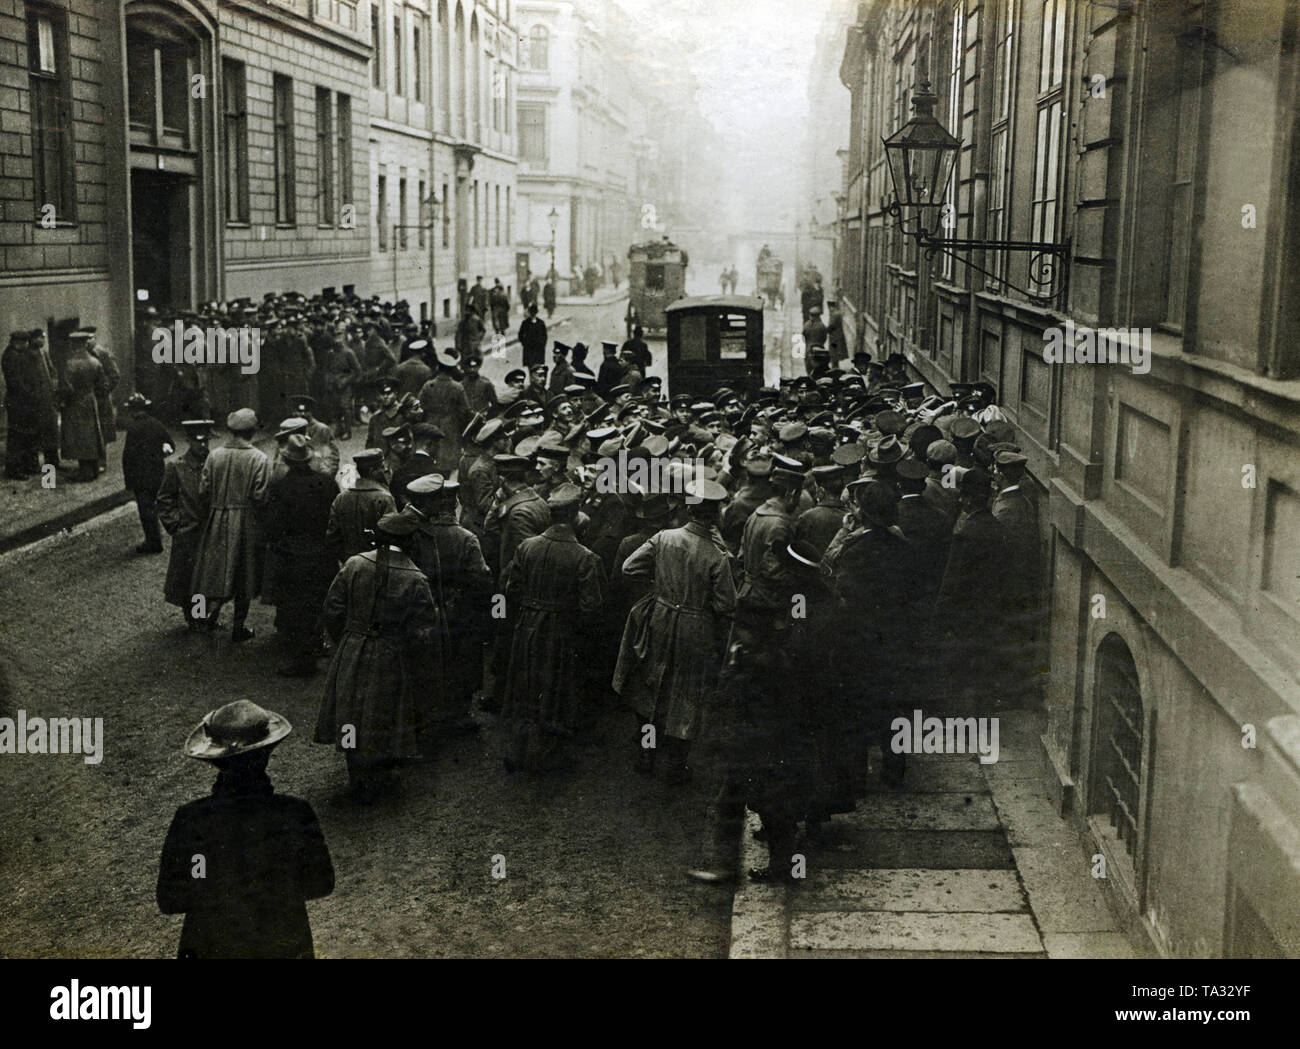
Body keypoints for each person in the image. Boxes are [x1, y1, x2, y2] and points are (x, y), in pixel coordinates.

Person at [158, 700, 334, 959]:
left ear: (215, 760)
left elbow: (171, 900)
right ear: (267, 754)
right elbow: (321, 884)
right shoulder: (295, 813)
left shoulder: (192, 819)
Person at [613, 479, 735, 783]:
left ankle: (646, 753)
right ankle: (675, 765)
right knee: (687, 693)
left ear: (689, 508)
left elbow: (629, 568)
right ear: (715, 513)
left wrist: (661, 586)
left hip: (660, 616)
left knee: (651, 686)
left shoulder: (664, 537)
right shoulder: (716, 554)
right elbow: (726, 604)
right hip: (696, 627)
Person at [316, 510, 440, 802]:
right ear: (409, 541)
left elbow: (332, 608)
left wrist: (346, 640)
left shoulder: (355, 564)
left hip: (354, 645)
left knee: (349, 710)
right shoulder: (415, 577)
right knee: (384, 711)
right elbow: (423, 630)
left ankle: (355, 774)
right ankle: (380, 775)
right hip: (392, 653)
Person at [499, 483, 604, 772]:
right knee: (557, 687)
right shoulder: (584, 557)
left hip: (527, 626)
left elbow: (511, 587)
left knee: (525, 684)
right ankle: (546, 754)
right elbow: (591, 607)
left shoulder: (526, 546)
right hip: (562, 630)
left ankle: (519, 749)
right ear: (575, 514)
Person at [403, 474, 493, 741]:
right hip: (460, 609)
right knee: (462, 659)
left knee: (427, 661)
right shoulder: (466, 537)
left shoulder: (416, 534)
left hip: (424, 607)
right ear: (453, 503)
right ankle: (459, 715)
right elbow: (482, 579)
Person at [261, 433, 340, 677]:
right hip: (321, 554)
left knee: (294, 606)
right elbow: (335, 520)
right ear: (308, 459)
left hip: (292, 555)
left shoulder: (280, 487)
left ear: (288, 460)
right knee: (318, 602)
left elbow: (272, 526)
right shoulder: (326, 483)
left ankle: (301, 658)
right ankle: (318, 646)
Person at [191, 407, 270, 641]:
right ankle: (238, 627)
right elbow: (260, 496)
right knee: (244, 573)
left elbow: (203, 490)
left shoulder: (214, 455)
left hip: (217, 518)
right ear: (252, 432)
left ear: (231, 431)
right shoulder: (259, 458)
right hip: (245, 521)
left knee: (213, 571)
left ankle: (206, 618)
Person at [157, 419, 214, 629]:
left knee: (206, 577)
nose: (204, 446)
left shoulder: (214, 463)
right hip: (188, 532)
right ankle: (195, 618)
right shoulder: (176, 467)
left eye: (206, 441)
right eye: (199, 441)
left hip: (210, 532)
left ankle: (202, 615)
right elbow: (164, 499)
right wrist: (176, 525)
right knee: (188, 578)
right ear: (189, 441)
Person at [121, 392, 173, 554]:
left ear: (133, 411)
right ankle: (156, 540)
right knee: (155, 506)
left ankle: (153, 542)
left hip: (140, 477)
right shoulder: (156, 424)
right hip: (157, 472)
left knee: (146, 510)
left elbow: (128, 457)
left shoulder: (133, 429)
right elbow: (170, 445)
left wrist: (129, 481)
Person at [3, 329, 58, 479]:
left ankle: (26, 466)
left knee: (25, 435)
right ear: (18, 342)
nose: (27, 345)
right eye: (25, 342)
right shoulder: (12, 357)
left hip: (23, 402)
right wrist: (32, 395)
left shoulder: (15, 354)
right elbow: (17, 383)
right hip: (18, 403)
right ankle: (14, 469)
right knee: (17, 437)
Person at [326, 448, 396, 562]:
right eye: (382, 467)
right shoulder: (385, 498)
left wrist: (346, 560)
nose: (385, 471)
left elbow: (332, 537)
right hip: (378, 565)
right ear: (372, 471)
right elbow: (391, 537)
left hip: (350, 564)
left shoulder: (341, 498)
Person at [59, 330, 107, 481]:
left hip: (75, 403)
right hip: (90, 401)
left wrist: (62, 401)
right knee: (92, 434)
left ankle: (85, 471)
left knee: (80, 436)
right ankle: (93, 469)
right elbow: (103, 384)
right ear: (85, 344)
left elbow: (66, 388)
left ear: (74, 344)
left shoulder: (70, 364)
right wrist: (94, 394)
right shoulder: (95, 362)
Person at [417, 349, 470, 476]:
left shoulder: (428, 385)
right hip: (451, 426)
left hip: (431, 423)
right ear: (451, 370)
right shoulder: (457, 387)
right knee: (448, 462)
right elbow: (465, 411)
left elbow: (420, 406)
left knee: (431, 457)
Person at [518, 303, 548, 368]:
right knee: (530, 367)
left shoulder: (541, 323)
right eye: (531, 312)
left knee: (538, 368)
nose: (532, 314)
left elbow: (545, 336)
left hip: (539, 350)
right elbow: (520, 335)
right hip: (529, 350)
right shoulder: (525, 323)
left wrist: (542, 344)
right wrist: (524, 343)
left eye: (534, 312)